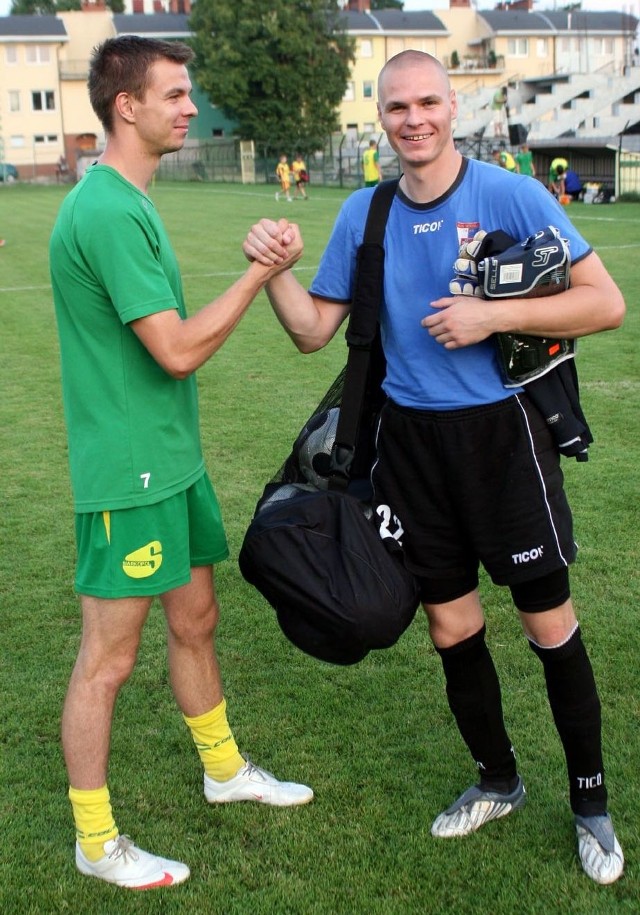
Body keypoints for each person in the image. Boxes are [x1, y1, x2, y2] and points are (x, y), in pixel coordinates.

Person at [243, 50, 626, 886]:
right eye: (396, 109)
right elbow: (313, 331)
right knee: (453, 628)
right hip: (409, 451)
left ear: (454, 109)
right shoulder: (365, 212)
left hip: (502, 444)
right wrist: (272, 273)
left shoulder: (510, 193)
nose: (413, 120)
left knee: (548, 626)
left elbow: (605, 302)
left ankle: (591, 802)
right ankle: (498, 778)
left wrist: (496, 314)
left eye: (427, 104)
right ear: (380, 119)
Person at [49, 36, 312, 892]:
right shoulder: (108, 211)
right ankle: (96, 839)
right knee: (107, 660)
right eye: (176, 94)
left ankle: (224, 768)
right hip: (132, 474)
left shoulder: (129, 196)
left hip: (174, 464)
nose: (191, 106)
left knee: (196, 617)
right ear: (127, 106)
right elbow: (176, 351)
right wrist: (258, 274)